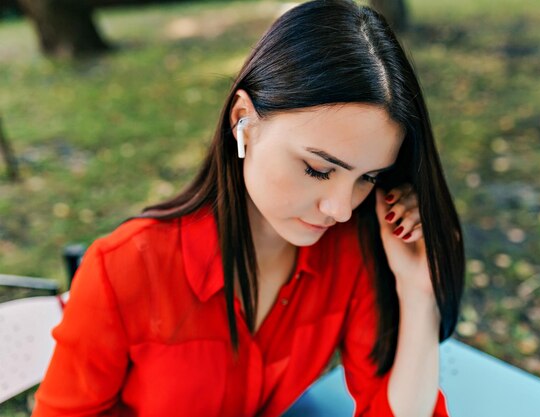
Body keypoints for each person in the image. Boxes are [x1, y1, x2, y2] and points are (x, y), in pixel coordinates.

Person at [32, 0, 465, 416]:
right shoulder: (122, 268)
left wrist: (418, 291)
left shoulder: (350, 250)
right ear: (244, 119)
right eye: (317, 168)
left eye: (367, 177)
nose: (341, 208)